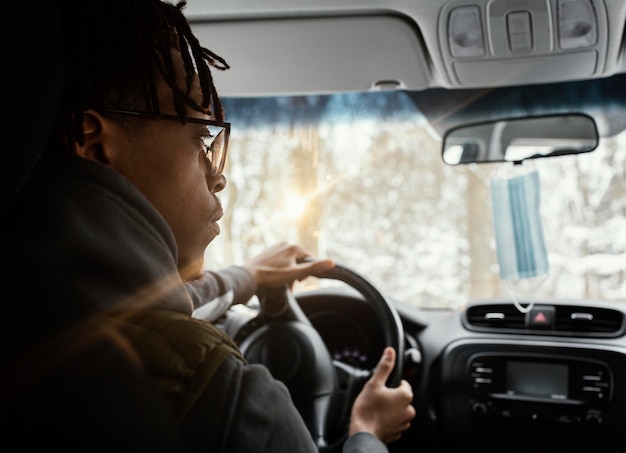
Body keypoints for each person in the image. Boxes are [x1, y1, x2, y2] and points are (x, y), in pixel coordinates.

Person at [0, 0, 415, 451]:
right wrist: (367, 433)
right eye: (201, 137)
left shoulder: (29, 310)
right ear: (94, 143)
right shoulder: (216, 395)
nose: (217, 176)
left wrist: (249, 277)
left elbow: (150, 306)